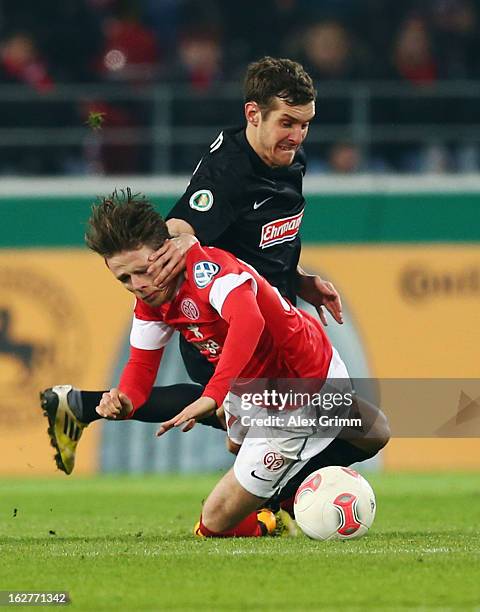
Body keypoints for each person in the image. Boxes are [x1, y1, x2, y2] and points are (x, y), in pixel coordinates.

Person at [41, 57, 347, 473]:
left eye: (305, 124)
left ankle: (80, 405)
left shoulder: (287, 158)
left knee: (284, 427)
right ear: (253, 114)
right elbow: (181, 223)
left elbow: (264, 238)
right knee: (286, 426)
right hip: (227, 321)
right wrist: (178, 239)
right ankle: (275, 506)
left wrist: (299, 280)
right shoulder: (228, 170)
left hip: (275, 314)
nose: (297, 136)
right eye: (288, 123)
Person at [48, 191, 388, 537]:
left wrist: (213, 396)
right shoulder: (152, 300)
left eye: (142, 271)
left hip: (303, 383)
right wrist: (125, 400)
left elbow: (249, 323)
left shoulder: (212, 274)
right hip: (260, 387)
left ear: (165, 252)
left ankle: (270, 511)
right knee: (372, 430)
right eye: (124, 279)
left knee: (212, 524)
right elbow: (141, 365)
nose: (137, 285)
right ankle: (281, 499)